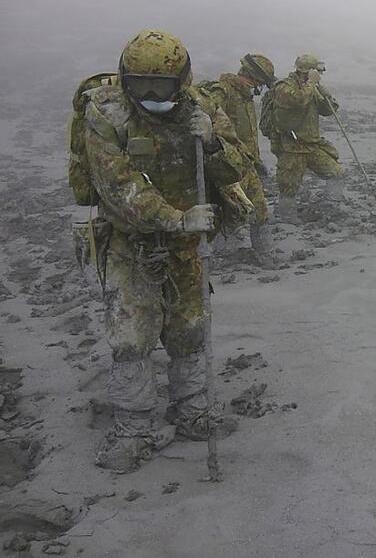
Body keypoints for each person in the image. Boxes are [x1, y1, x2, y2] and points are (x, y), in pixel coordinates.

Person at [83, 30, 245, 472]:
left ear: (183, 79)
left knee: (189, 329)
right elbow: (117, 186)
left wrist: (212, 141)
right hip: (132, 243)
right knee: (132, 335)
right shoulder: (106, 113)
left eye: (162, 86)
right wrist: (176, 218)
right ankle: (133, 426)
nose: (152, 96)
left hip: (188, 246)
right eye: (141, 85)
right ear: (124, 79)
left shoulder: (202, 110)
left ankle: (190, 407)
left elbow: (239, 168)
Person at [202, 54, 277, 256]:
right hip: (225, 168)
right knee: (229, 215)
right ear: (252, 77)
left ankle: (265, 252)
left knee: (260, 210)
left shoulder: (245, 98)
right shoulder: (222, 92)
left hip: (246, 166)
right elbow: (206, 121)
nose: (258, 88)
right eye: (259, 83)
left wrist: (257, 162)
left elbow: (247, 137)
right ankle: (224, 259)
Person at [267, 54, 344, 220]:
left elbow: (330, 109)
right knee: (288, 188)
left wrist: (322, 90)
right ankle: (287, 219)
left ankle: (329, 208)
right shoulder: (284, 87)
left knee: (337, 173)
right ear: (306, 71)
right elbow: (298, 100)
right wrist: (311, 83)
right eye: (316, 72)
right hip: (292, 147)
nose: (319, 75)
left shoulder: (311, 88)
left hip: (312, 145)